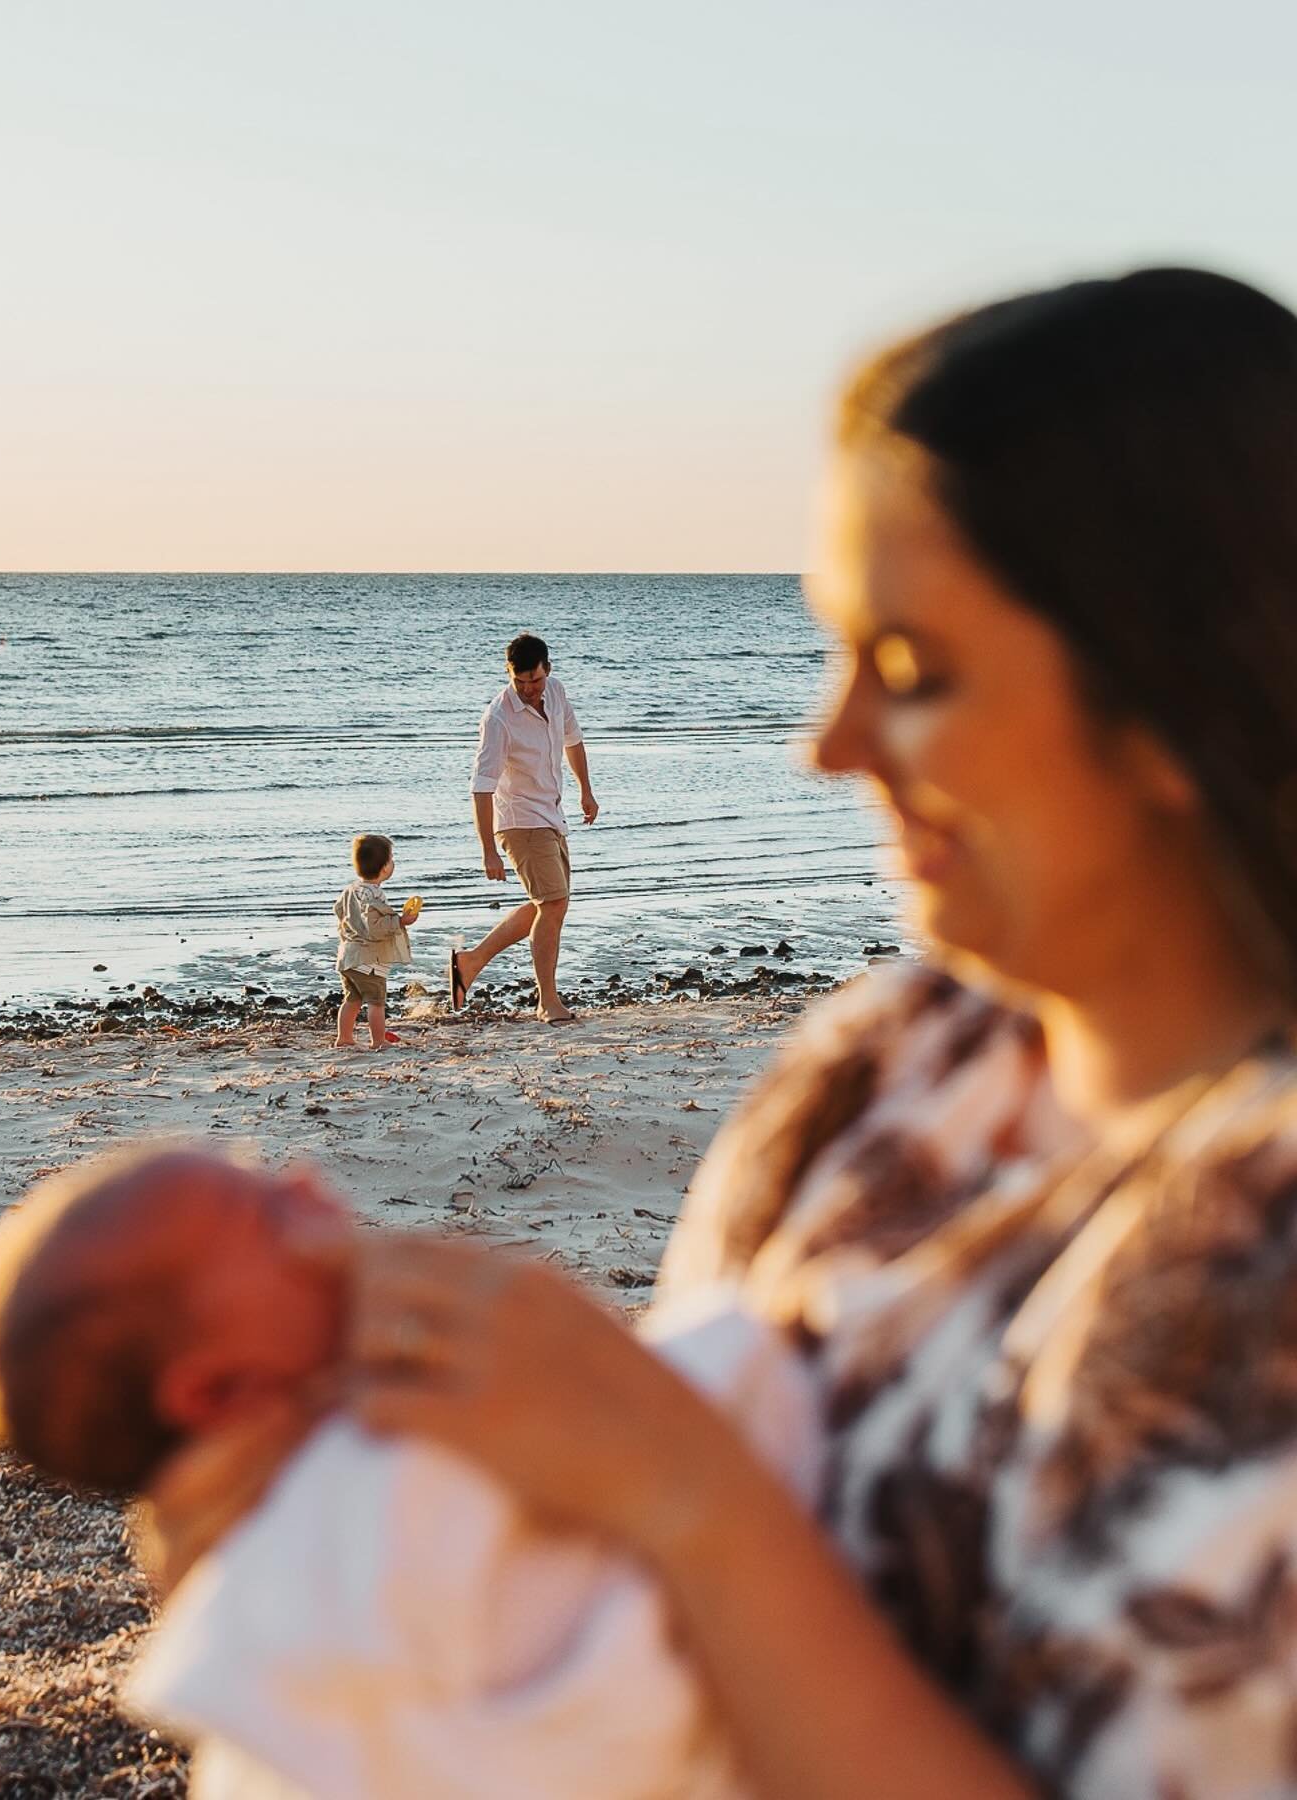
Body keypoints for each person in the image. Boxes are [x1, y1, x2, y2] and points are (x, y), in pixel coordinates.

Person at [142, 268, 1297, 1799]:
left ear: (1178, 695)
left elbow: (682, 1495)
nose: (827, 748)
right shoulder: (882, 1067)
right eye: (835, 652)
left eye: (912, 671)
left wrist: (677, 1494)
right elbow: (613, 1620)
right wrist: (363, 1568)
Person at [0, 1144, 819, 1800]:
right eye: (265, 1213)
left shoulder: (395, 1419)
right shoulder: (358, 1495)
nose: (301, 1180)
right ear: (217, 1390)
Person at [449, 633, 598, 1025]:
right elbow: (481, 787)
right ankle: (548, 1001)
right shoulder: (498, 718)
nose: (529, 689)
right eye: (521, 682)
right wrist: (487, 850)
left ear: (547, 668)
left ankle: (471, 961)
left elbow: (574, 741)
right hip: (519, 822)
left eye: (535, 680)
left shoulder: (558, 693)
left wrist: (586, 790)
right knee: (552, 904)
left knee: (548, 904)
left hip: (551, 815)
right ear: (509, 675)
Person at [334, 833, 419, 1052]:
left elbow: (339, 911)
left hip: (348, 955)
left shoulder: (351, 890)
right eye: (391, 859)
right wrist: (400, 921)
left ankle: (344, 1038)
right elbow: (375, 928)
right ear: (383, 869)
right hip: (369, 960)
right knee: (376, 1001)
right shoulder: (374, 896)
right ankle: (378, 1040)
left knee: (352, 1000)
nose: (393, 863)